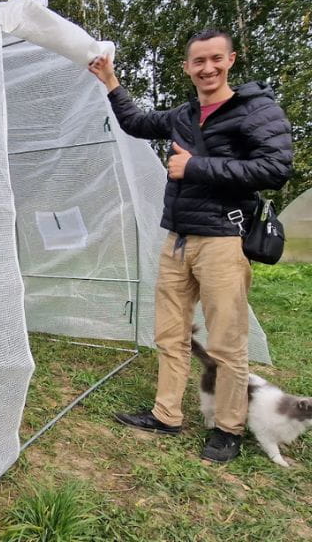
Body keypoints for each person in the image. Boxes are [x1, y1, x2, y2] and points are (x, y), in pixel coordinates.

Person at [88, 29, 293, 463]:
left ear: (230, 60)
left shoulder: (257, 110)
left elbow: (275, 168)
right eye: (198, 61)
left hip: (223, 240)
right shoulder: (184, 115)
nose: (207, 68)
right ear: (187, 68)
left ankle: (228, 428)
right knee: (170, 333)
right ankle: (166, 414)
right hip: (178, 239)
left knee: (226, 342)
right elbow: (136, 123)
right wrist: (110, 80)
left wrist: (196, 166)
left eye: (216, 59)